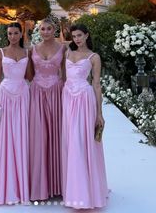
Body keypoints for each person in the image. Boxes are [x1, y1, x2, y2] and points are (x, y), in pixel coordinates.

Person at [0, 22, 31, 205]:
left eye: (16, 33)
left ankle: (21, 185)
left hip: (23, 96)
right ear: (7, 35)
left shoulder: (27, 53)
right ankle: (5, 185)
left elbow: (30, 76)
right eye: (10, 33)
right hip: (5, 96)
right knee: (5, 139)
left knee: (22, 137)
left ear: (21, 34)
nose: (13, 36)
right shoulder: (0, 52)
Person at [62, 23, 108, 209]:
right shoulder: (67, 52)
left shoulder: (94, 57)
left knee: (81, 142)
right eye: (74, 36)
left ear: (87, 35)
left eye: (80, 35)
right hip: (67, 98)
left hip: (84, 100)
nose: (77, 39)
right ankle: (73, 189)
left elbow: (96, 85)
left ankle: (85, 193)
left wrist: (99, 113)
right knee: (70, 143)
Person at [29, 18, 66, 201]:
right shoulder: (32, 49)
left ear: (55, 30)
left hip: (56, 93)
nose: (45, 31)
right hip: (36, 93)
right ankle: (39, 186)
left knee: (57, 136)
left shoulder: (63, 49)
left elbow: (66, 75)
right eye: (42, 28)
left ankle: (58, 185)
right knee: (38, 137)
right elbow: (28, 73)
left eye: (48, 28)